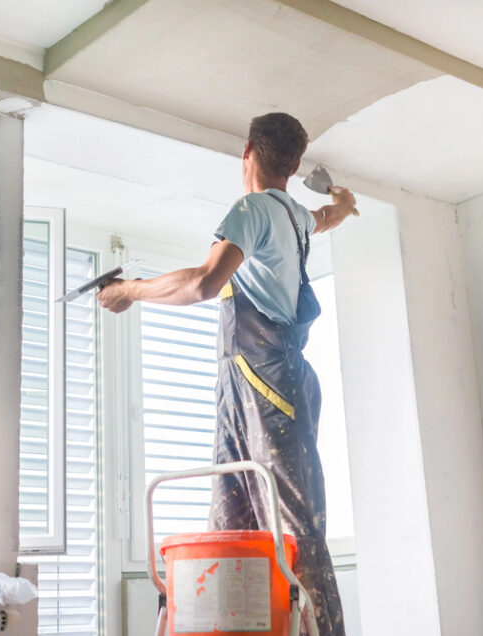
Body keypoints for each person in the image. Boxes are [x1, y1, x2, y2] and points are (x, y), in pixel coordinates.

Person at [96, 112, 357, 636]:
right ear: (294, 167)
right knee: (234, 520)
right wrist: (344, 204)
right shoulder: (294, 216)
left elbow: (204, 282)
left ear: (247, 152)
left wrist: (129, 291)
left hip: (268, 384)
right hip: (252, 384)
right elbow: (325, 217)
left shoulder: (252, 209)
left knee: (294, 530)